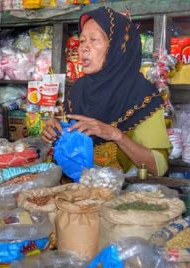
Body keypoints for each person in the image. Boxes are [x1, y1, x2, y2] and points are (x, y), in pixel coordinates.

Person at [42, 7, 171, 176]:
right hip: (74, 193)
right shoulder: (78, 90)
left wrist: (115, 135)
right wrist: (56, 132)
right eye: (82, 41)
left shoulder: (142, 95)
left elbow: (158, 168)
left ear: (118, 46)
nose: (84, 49)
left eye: (94, 40)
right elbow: (70, 146)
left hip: (121, 195)